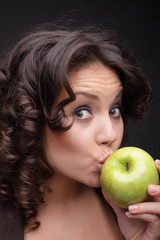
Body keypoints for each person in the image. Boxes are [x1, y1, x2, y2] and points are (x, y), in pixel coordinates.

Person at [0, 23, 160, 240]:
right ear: (31, 118)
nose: (110, 135)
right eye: (81, 112)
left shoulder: (134, 208)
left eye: (114, 110)